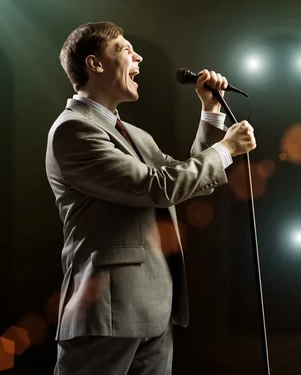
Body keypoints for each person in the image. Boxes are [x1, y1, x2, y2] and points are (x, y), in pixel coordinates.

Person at [45, 22, 256, 375]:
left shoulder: (134, 134)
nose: (137, 56)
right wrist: (226, 149)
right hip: (106, 311)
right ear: (95, 64)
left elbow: (185, 181)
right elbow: (156, 187)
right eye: (124, 49)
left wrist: (210, 111)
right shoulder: (74, 129)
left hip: (156, 309)